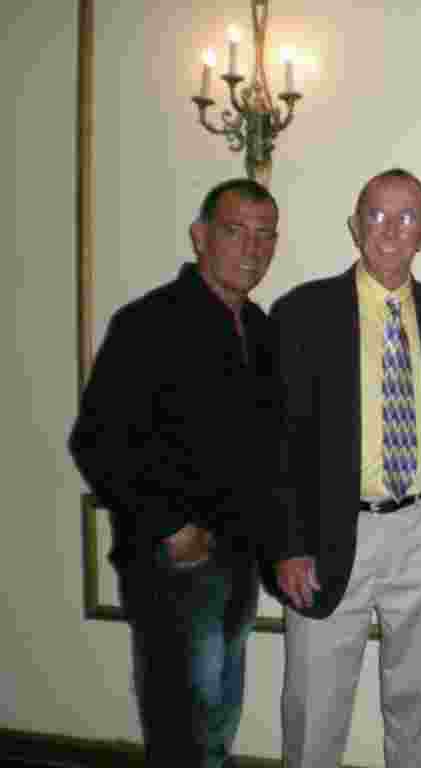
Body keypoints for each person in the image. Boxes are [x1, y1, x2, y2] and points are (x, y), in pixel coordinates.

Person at [69, 178, 282, 767]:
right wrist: (170, 527)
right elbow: (98, 442)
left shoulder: (260, 330)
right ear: (200, 236)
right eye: (235, 231)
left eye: (265, 235)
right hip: (174, 564)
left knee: (216, 722)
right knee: (182, 731)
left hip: (239, 558)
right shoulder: (149, 323)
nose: (252, 249)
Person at [266, 168, 421, 768]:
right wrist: (287, 545)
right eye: (376, 215)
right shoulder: (302, 312)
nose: (389, 230)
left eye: (406, 217)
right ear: (355, 225)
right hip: (329, 531)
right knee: (315, 704)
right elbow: (275, 440)